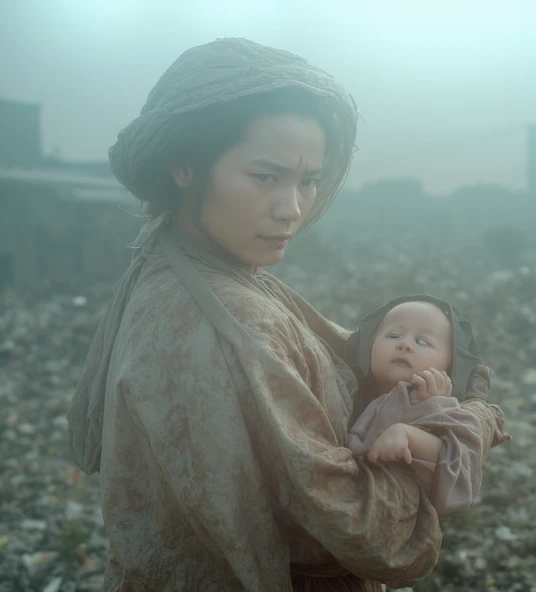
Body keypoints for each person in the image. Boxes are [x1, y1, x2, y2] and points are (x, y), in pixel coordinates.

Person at [65, 37, 509, 592]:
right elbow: (373, 535)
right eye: (265, 177)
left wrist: (452, 396)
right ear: (184, 167)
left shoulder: (192, 265)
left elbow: (338, 350)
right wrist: (453, 435)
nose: (292, 208)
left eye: (308, 181)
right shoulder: (227, 318)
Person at [344, 295, 500, 519]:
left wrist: (409, 433)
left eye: (422, 342)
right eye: (393, 335)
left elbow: (457, 469)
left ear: (449, 366)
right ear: (368, 347)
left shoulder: (449, 410)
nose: (404, 344)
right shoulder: (349, 393)